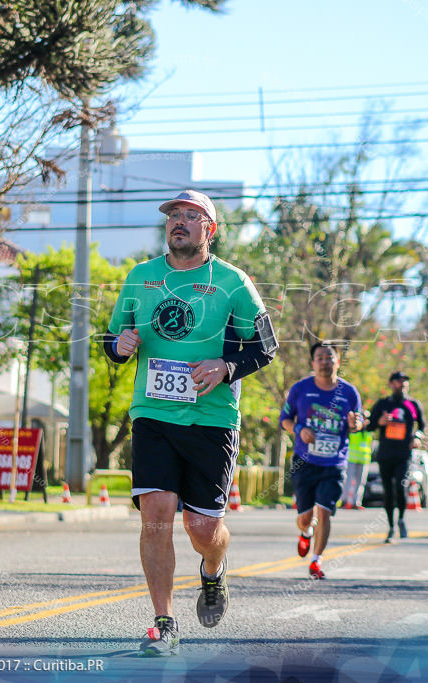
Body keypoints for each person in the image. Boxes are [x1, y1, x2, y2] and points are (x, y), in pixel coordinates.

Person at [103, 190, 278, 656]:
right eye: (173, 216)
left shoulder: (233, 282)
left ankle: (214, 570)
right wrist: (118, 347)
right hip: (153, 413)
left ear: (210, 230)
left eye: (190, 216)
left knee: (202, 528)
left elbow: (265, 346)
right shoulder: (141, 277)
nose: (178, 222)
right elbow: (113, 335)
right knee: (157, 516)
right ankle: (163, 622)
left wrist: (225, 367)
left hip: (212, 418)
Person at [280, 342, 362, 579]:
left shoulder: (349, 392)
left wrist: (356, 424)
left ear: (337, 361)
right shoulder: (300, 389)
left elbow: (358, 419)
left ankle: (316, 561)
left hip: (334, 463)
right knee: (305, 517)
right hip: (305, 462)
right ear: (312, 363)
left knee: (325, 511)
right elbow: (284, 419)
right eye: (320, 358)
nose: (325, 362)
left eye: (330, 357)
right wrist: (298, 429)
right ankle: (306, 533)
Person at [367, 371, 425, 543]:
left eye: (405, 382)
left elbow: (422, 426)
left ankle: (401, 518)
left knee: (401, 486)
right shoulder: (383, 404)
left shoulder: (413, 404)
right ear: (391, 384)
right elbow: (369, 426)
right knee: (388, 490)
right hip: (385, 453)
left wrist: (417, 437)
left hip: (404, 454)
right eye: (399, 382)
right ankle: (391, 525)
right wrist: (380, 423)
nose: (403, 385)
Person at [342, 410, 373, 509]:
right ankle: (344, 501)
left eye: (366, 418)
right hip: (351, 459)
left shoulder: (368, 432)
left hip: (364, 460)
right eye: (363, 418)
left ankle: (356, 502)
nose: (365, 420)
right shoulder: (353, 429)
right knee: (348, 480)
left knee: (361, 482)